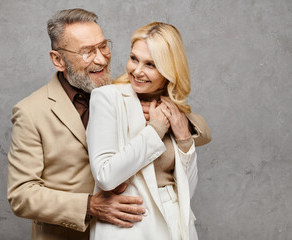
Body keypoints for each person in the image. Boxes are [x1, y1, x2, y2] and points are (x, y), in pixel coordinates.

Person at [7, 8, 211, 240]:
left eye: (103, 46)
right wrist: (90, 205)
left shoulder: (126, 90)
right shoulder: (31, 111)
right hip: (68, 235)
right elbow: (21, 195)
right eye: (87, 52)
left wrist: (176, 120)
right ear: (58, 59)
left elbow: (197, 131)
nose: (101, 59)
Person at [87, 22, 205, 240]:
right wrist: (156, 129)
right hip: (129, 227)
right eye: (134, 59)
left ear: (169, 70)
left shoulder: (173, 110)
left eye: (150, 64)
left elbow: (187, 191)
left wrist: (184, 139)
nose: (137, 71)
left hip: (175, 226)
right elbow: (105, 176)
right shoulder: (108, 98)